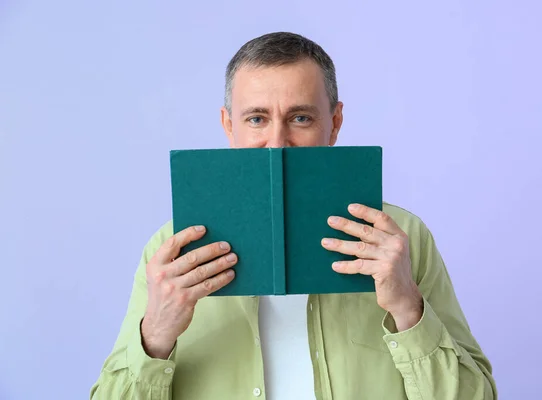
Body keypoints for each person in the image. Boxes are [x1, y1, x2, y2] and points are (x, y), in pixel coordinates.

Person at [90, 32, 497, 400]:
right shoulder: (171, 250)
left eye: (300, 118)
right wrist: (155, 336)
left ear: (334, 124)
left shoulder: (402, 238)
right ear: (228, 126)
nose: (277, 142)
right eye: (256, 119)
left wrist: (409, 310)